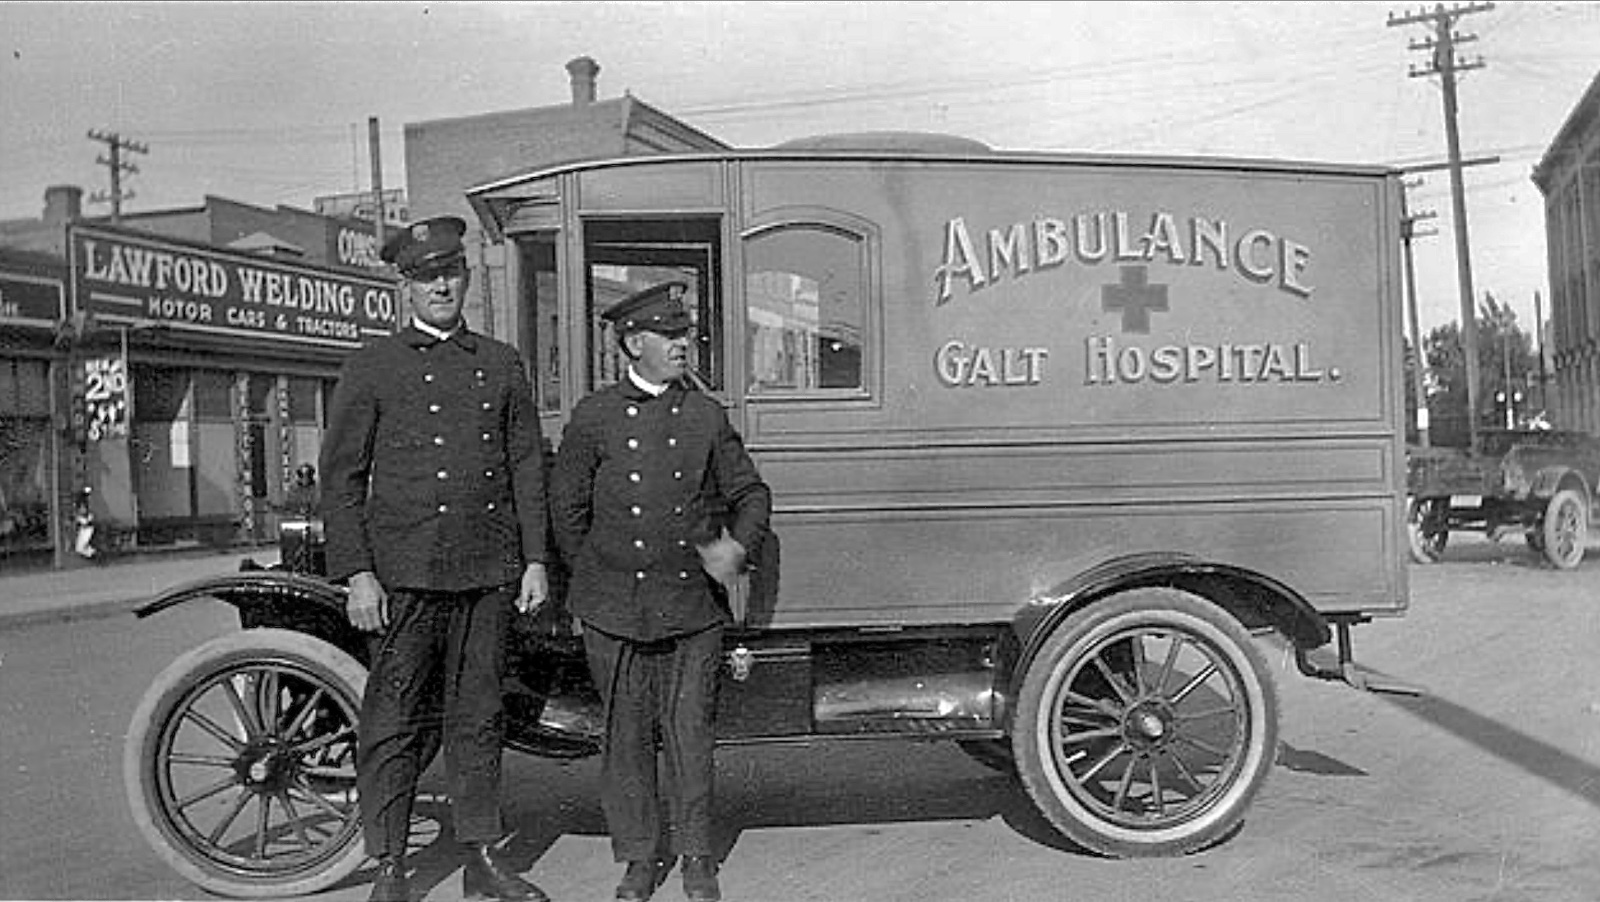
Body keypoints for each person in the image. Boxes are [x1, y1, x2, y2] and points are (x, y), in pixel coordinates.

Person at [319, 215, 551, 902]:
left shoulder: (501, 363)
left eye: (450, 272)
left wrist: (535, 559)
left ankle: (480, 858)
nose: (441, 286)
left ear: (467, 277)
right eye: (426, 277)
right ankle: (390, 865)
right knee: (393, 719)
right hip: (406, 577)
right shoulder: (373, 365)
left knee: (478, 718)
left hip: (487, 572)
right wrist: (358, 573)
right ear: (406, 287)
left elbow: (526, 467)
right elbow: (341, 477)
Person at [550, 281, 771, 902]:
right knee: (625, 739)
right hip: (613, 608)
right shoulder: (594, 416)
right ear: (632, 343)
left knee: (689, 735)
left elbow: (752, 493)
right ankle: (639, 859)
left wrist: (736, 548)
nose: (682, 344)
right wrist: (598, 577)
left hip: (689, 607)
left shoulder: (705, 415)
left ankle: (697, 855)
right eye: (668, 335)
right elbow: (566, 510)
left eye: (684, 333)